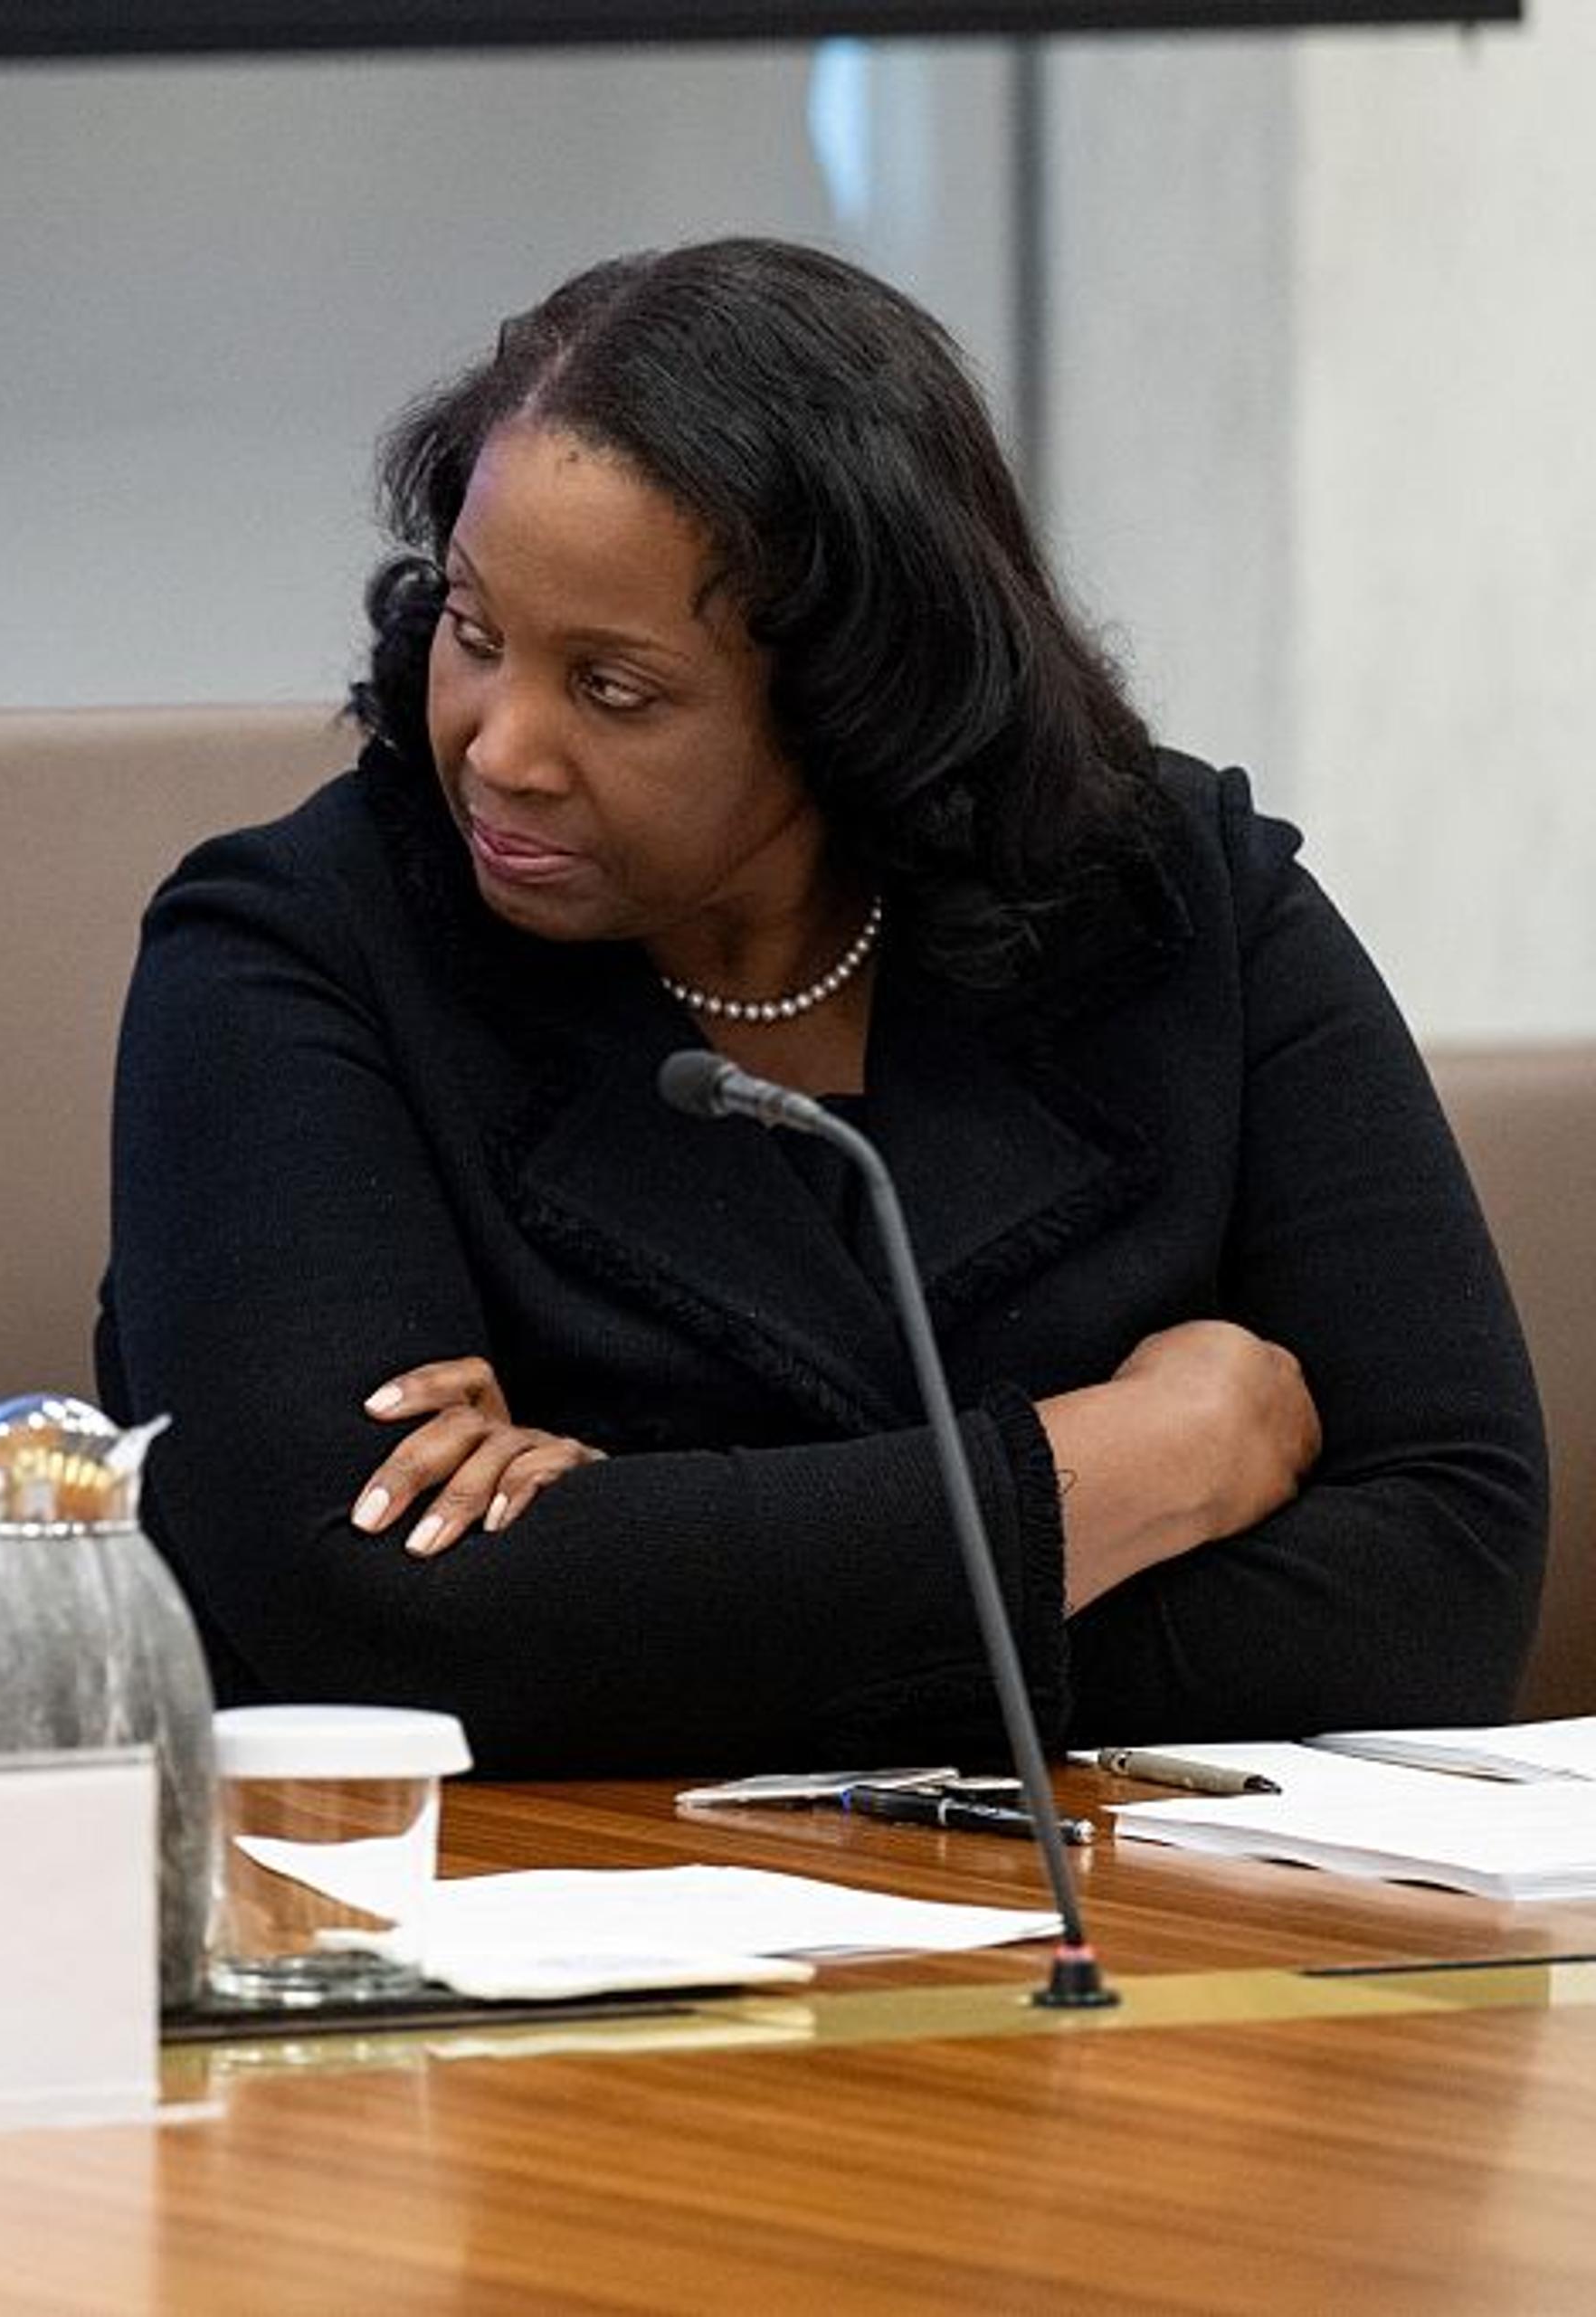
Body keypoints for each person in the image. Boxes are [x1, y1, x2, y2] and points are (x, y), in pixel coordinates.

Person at [98, 238, 1544, 1776]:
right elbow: (375, 1625)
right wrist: (1127, 1472)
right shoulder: (290, 950)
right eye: (474, 630)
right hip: (558, 1959)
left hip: (1160, 1937)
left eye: (613, 688)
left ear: (857, 696)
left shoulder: (1177, 905)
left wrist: (652, 1572)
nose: (502, 748)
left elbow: (1450, 1582)